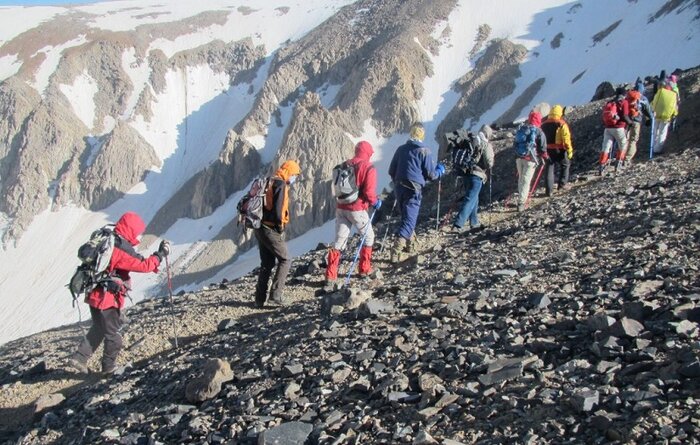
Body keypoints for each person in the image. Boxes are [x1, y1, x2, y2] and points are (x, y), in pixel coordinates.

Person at [66, 212, 169, 376]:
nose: (138, 235)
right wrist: (160, 255)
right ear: (131, 229)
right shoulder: (120, 248)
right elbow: (144, 265)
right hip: (107, 299)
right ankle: (109, 368)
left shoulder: (108, 239)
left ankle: (79, 358)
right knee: (114, 335)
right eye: (137, 231)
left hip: (94, 294)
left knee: (99, 328)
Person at [325, 141, 381, 288]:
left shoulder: (345, 164)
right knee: (369, 237)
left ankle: (330, 276)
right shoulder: (368, 167)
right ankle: (364, 269)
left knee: (339, 241)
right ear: (367, 153)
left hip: (341, 207)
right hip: (357, 209)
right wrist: (375, 202)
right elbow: (369, 193)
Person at [388, 122, 445, 263]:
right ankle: (396, 250)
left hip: (399, 187)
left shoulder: (401, 149)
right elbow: (431, 175)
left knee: (407, 217)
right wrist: (439, 171)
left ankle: (411, 245)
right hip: (414, 189)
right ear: (422, 135)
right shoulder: (424, 150)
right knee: (410, 219)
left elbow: (391, 170)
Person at [254, 160, 301, 308]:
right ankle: (276, 295)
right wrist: (280, 228)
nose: (294, 178)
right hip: (270, 229)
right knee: (285, 259)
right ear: (289, 172)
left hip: (259, 227)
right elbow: (279, 211)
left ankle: (259, 299)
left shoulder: (269, 180)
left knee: (266, 263)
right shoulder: (280, 184)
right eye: (294, 175)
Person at [451, 127, 494, 231]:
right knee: (470, 199)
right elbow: (489, 162)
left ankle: (474, 222)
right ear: (488, 134)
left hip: (466, 173)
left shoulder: (471, 141)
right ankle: (458, 224)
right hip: (477, 175)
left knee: (474, 198)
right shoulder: (485, 143)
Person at [515, 111, 548, 212]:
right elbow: (542, 147)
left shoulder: (522, 129)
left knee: (521, 179)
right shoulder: (538, 131)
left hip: (519, 158)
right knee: (526, 180)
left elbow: (515, 143)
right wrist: (544, 156)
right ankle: (521, 202)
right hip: (531, 159)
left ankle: (521, 197)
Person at [540, 105, 574, 195]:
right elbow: (566, 138)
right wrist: (569, 150)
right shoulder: (561, 123)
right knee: (565, 165)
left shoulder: (543, 124)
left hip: (547, 150)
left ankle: (549, 191)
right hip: (559, 149)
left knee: (549, 168)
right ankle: (562, 185)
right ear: (559, 113)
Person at [599, 87, 632, 173]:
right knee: (623, 144)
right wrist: (630, 123)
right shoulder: (624, 102)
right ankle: (618, 164)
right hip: (619, 128)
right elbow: (625, 116)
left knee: (606, 147)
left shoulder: (610, 102)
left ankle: (602, 166)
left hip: (608, 128)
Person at [624, 86, 652, 165]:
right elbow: (647, 111)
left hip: (626, 120)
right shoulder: (642, 98)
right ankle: (627, 159)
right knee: (633, 140)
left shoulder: (628, 97)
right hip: (636, 121)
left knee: (625, 139)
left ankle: (620, 157)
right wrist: (649, 118)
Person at [651, 81, 679, 155]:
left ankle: (653, 146)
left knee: (655, 132)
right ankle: (657, 150)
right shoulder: (673, 95)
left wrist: (652, 111)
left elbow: (654, 102)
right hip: (666, 117)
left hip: (656, 115)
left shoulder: (660, 91)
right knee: (662, 133)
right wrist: (675, 114)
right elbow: (674, 107)